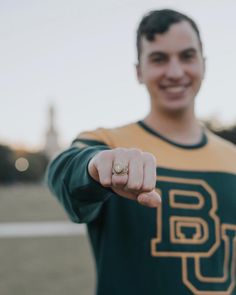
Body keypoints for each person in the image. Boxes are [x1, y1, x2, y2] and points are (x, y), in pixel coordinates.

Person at [47, 9, 236, 295]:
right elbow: (64, 172)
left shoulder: (232, 158)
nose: (175, 72)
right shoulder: (107, 143)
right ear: (139, 71)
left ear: (204, 64)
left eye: (187, 56)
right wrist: (95, 167)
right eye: (159, 59)